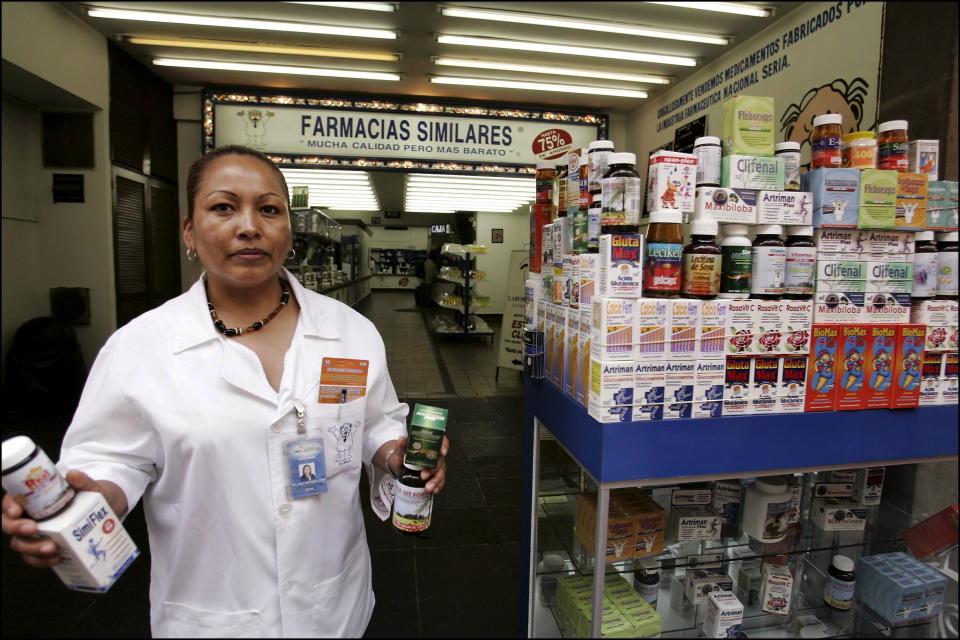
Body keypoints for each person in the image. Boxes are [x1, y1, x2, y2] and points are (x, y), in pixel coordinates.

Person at [1, 145, 449, 638]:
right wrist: (87, 500)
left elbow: (375, 422)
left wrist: (395, 452)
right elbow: (112, 462)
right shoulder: (141, 348)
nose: (249, 225)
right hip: (214, 618)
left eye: (269, 209)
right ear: (190, 231)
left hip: (334, 607)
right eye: (223, 207)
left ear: (289, 230)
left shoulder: (350, 332)